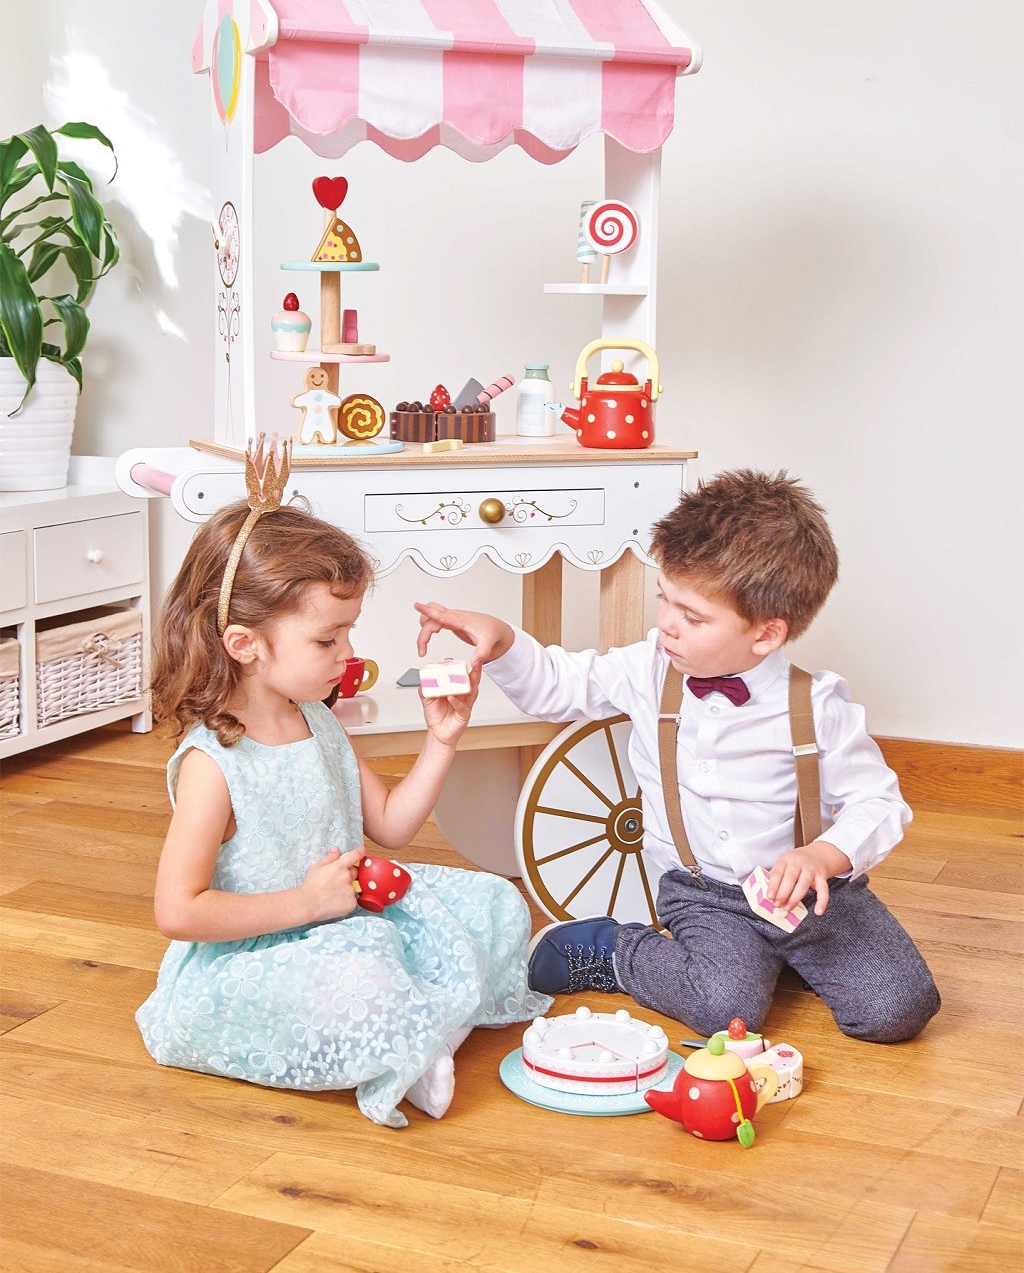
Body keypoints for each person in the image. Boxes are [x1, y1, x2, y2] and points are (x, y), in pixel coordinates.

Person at [416, 469, 940, 1044]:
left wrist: (824, 855)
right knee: (725, 1010)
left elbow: (878, 802)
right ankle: (613, 950)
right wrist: (502, 639)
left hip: (811, 893)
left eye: (693, 617)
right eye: (664, 598)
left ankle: (778, 961)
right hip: (706, 893)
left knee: (898, 1007)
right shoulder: (648, 670)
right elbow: (558, 686)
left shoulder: (817, 705)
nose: (666, 623)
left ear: (766, 635)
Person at [137, 438, 549, 1129]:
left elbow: (391, 825)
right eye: (328, 640)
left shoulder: (317, 719)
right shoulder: (216, 764)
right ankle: (413, 1038)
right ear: (245, 645)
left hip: (345, 918)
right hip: (259, 955)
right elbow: (178, 911)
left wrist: (442, 739)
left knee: (493, 902)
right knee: (366, 972)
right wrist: (304, 904)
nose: (348, 654)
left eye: (347, 634)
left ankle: (413, 1035)